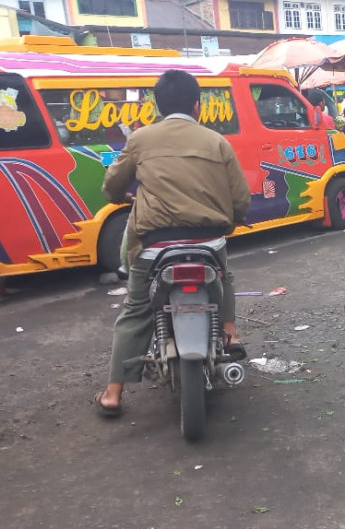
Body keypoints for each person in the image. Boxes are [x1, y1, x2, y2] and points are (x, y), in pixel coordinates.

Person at [95, 70, 250, 417]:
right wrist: (236, 217)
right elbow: (240, 197)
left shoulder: (140, 139)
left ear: (158, 106)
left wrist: (122, 194)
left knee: (135, 311)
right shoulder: (217, 142)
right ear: (197, 106)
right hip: (208, 243)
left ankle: (113, 393)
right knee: (224, 277)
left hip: (155, 247)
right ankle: (230, 332)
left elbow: (111, 186)